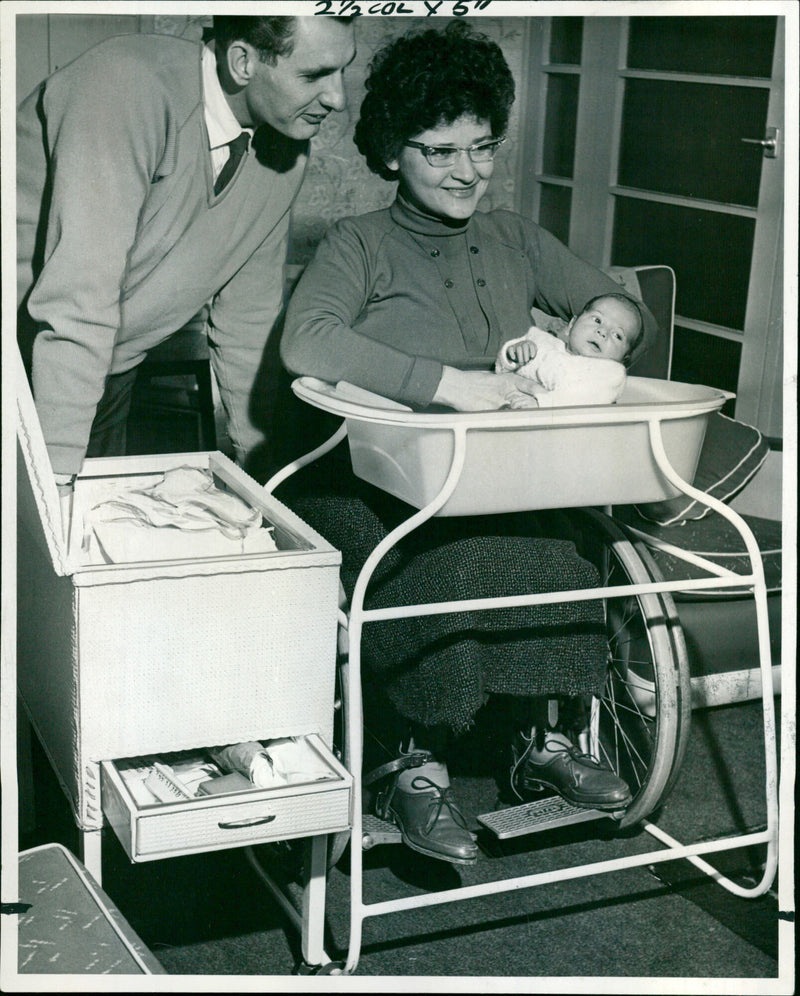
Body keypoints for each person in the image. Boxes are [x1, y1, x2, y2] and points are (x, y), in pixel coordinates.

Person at [280, 22, 657, 866]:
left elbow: (618, 309)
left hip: (502, 474)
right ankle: (409, 762)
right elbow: (306, 341)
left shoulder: (517, 236)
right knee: (445, 558)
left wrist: (589, 340)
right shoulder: (359, 243)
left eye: (482, 148)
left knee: (560, 542)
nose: (467, 172)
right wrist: (450, 385)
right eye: (439, 151)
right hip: (374, 475)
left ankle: (538, 739)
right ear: (389, 153)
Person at [17, 14, 356, 515]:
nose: (338, 98)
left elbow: (249, 325)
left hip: (106, 374)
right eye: (314, 75)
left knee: (91, 554)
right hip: (26, 368)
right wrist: (57, 478)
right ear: (242, 61)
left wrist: (266, 481)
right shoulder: (125, 84)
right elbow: (76, 300)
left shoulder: (286, 151)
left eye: (342, 71)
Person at [495, 292, 644, 408]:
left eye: (617, 335)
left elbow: (581, 401)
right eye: (597, 320)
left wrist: (543, 405)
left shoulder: (610, 374)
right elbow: (502, 369)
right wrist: (513, 354)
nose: (603, 332)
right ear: (571, 325)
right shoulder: (544, 342)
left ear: (624, 358)